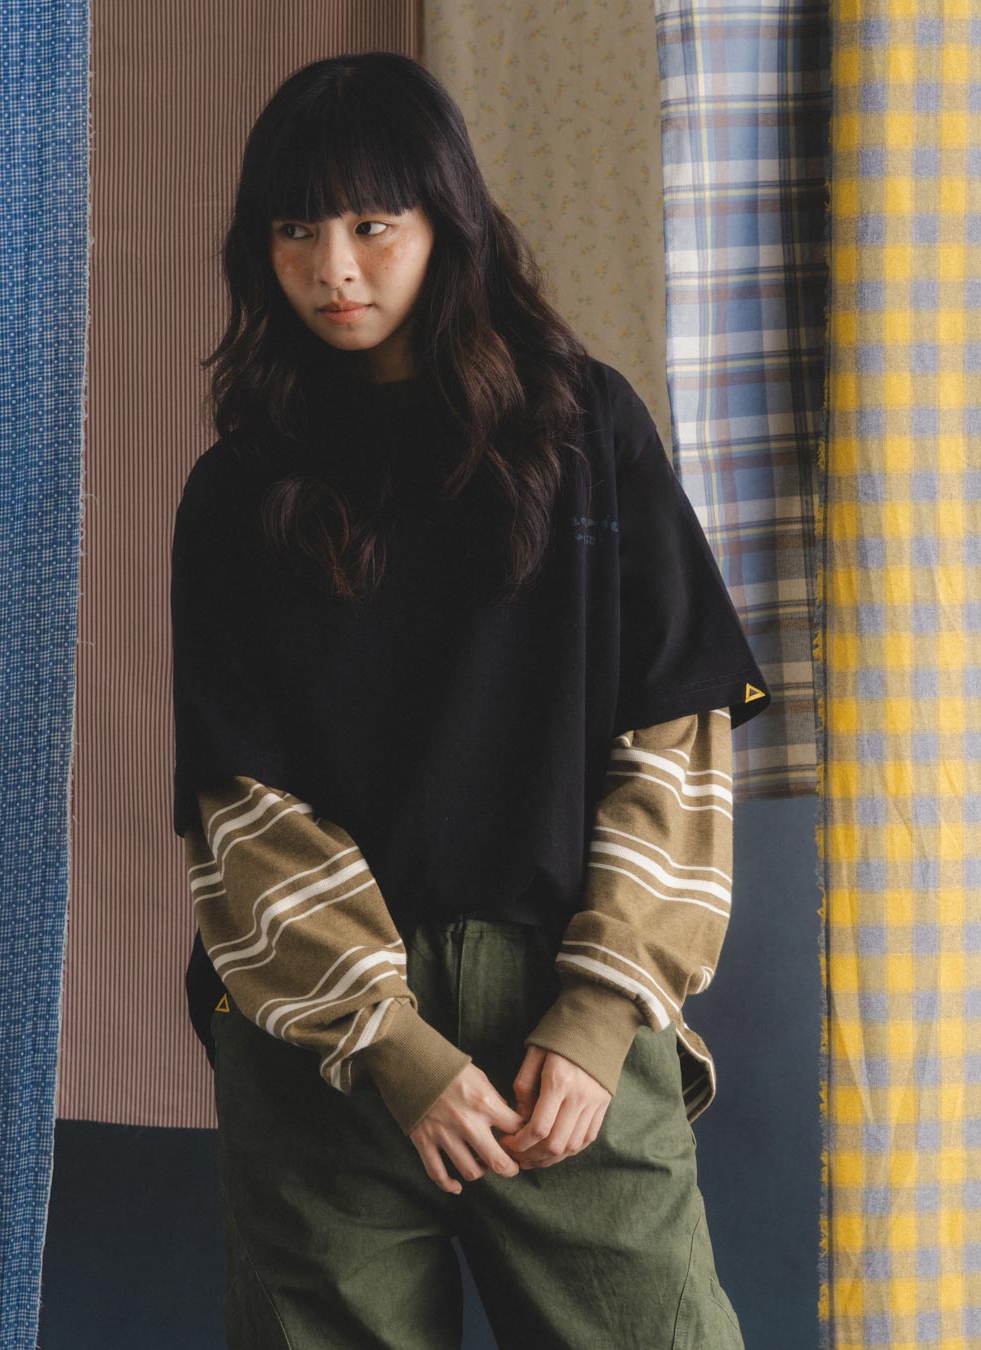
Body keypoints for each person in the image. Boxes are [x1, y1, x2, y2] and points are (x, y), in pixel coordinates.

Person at [171, 50, 771, 1350]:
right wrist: (386, 1039)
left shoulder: (585, 433)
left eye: (373, 225)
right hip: (320, 1036)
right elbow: (235, 803)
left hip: (566, 997)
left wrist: (604, 1002)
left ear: (448, 224)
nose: (333, 267)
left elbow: (674, 729)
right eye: (295, 229)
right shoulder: (235, 494)